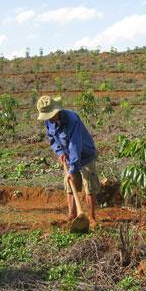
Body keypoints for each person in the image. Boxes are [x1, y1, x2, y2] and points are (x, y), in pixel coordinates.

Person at [36, 95, 100, 226]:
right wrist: (60, 152)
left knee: (89, 187)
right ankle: (72, 216)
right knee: (70, 184)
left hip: (85, 155)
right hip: (69, 156)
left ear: (57, 111)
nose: (48, 119)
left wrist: (72, 169)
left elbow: (75, 145)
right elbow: (52, 138)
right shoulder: (49, 121)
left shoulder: (72, 120)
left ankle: (92, 218)